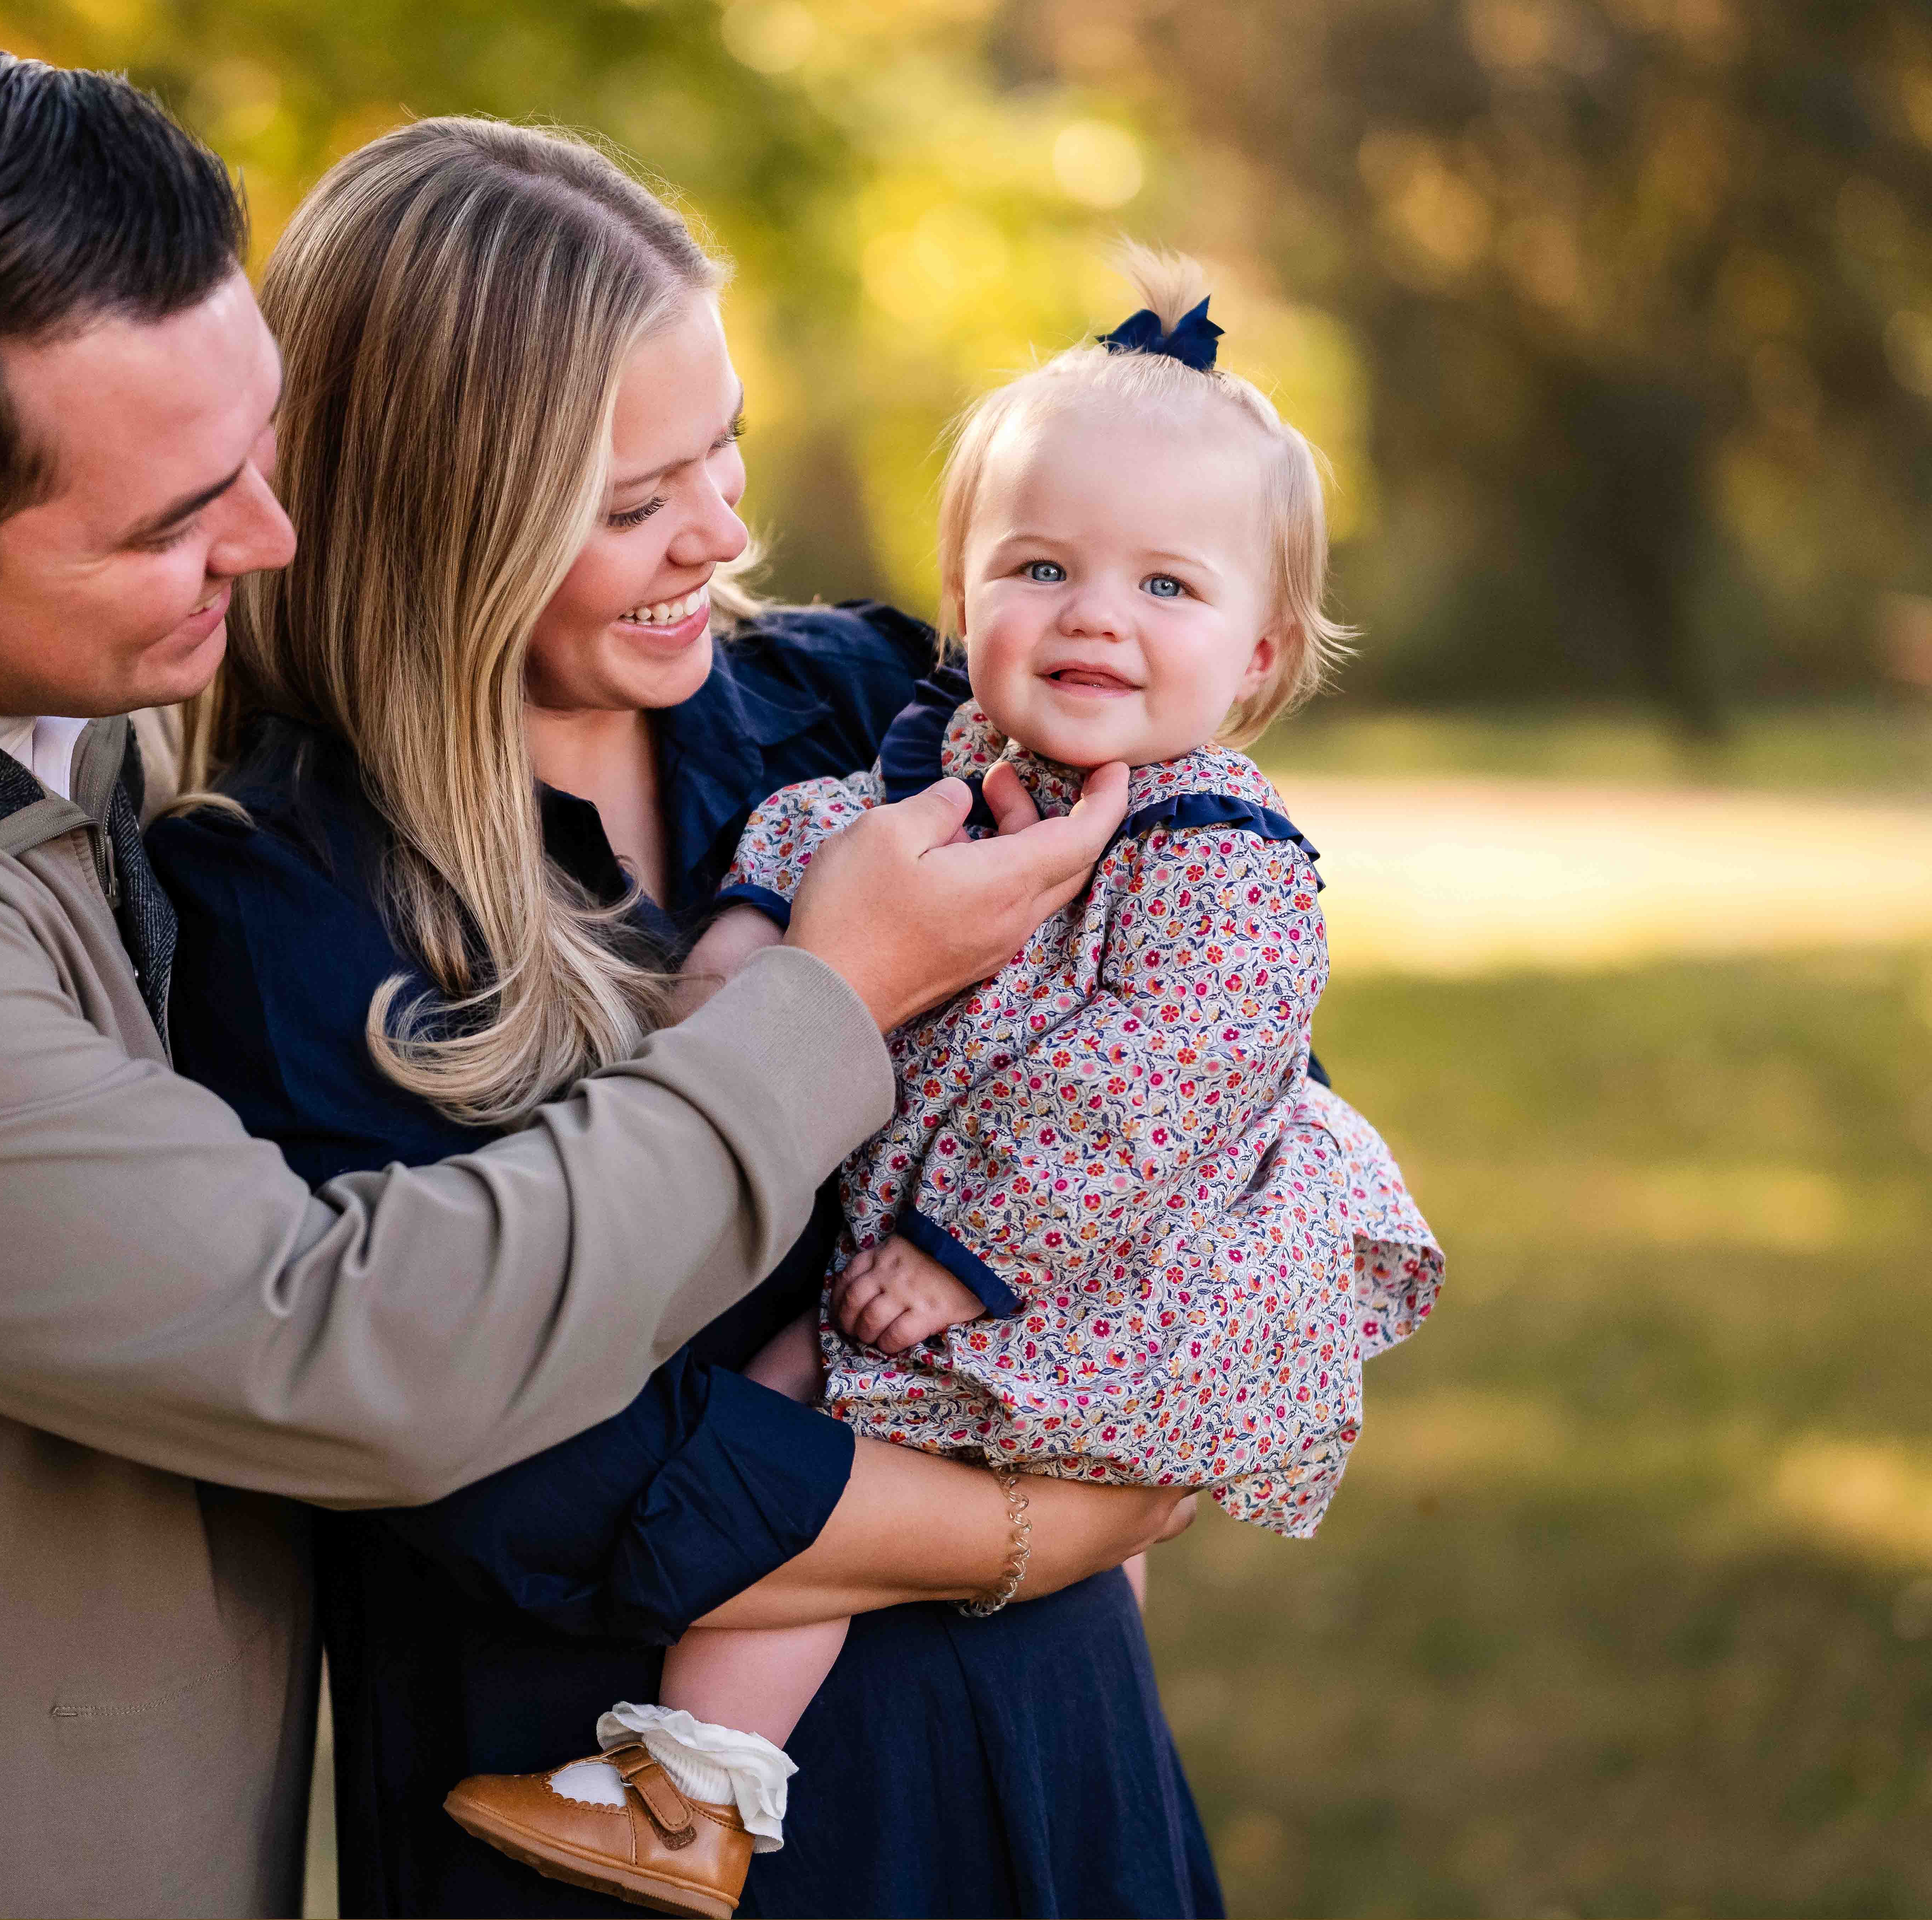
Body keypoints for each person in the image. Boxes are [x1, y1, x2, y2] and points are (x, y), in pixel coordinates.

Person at [0, 53, 1138, 1919]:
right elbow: (350, 1350)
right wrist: (829, 1006)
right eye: (178, 516)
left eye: (266, 437)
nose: (279, 532)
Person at [151, 122, 1218, 1920]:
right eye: (637, 502)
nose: (720, 533)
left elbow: (1214, 1073)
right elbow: (508, 1476)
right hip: (602, 1818)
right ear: (445, 521)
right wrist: (1032, 1520)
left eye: (718, 447)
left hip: (1049, 1757)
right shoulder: (283, 898)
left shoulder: (868, 708)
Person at [445, 247, 1447, 1918]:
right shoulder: (953, 759)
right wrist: (761, 928)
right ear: (962, 584)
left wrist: (968, 1249)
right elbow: (820, 824)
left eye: (1165, 589)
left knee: (788, 1441)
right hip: (1002, 1272)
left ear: (1261, 657)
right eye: (1039, 565)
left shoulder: (1214, 854)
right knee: (793, 1407)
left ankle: (691, 1790)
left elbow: (1140, 1090)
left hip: (1072, 1276)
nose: (1091, 616)